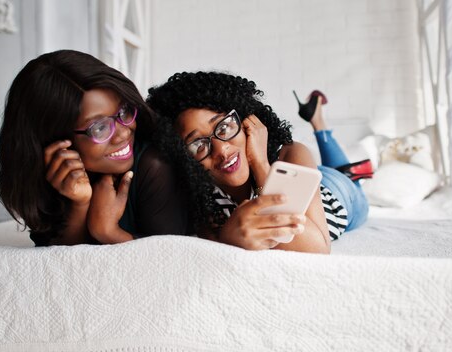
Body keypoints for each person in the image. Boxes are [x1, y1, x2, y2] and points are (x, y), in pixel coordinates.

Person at [146, 72, 369, 254]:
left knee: (344, 176)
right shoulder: (202, 197)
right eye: (198, 145)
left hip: (339, 194)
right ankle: (318, 120)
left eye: (224, 127)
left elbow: (318, 248)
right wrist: (228, 239)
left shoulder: (291, 153)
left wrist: (260, 163)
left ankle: (319, 124)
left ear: (245, 121)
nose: (222, 150)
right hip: (304, 178)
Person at [0, 50, 191, 246]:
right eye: (99, 127)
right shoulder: (50, 174)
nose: (123, 133)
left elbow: (170, 262)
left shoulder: (155, 166)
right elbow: (56, 264)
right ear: (55, 140)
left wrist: (107, 232)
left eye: (123, 111)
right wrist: (80, 204)